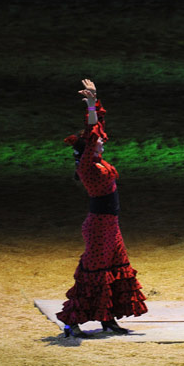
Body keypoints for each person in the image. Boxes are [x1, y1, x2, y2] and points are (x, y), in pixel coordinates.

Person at [57, 79, 148, 338]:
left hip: (111, 226)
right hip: (99, 227)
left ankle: (108, 320)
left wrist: (96, 101)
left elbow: (99, 129)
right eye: (98, 142)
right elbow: (93, 131)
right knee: (93, 274)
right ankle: (71, 323)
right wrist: (90, 105)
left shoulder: (96, 160)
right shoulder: (87, 166)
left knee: (115, 268)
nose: (102, 142)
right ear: (88, 148)